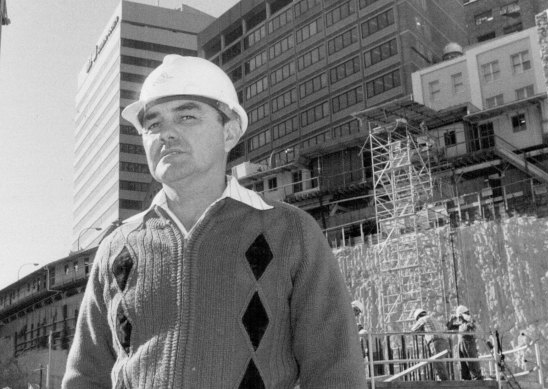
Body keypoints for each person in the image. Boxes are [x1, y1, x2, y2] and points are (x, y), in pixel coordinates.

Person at [62, 55, 365, 388]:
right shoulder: (116, 249)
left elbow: (335, 370)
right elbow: (86, 376)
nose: (167, 134)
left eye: (187, 116)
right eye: (153, 124)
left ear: (230, 131)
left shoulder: (291, 232)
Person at [446, 305, 484, 380]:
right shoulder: (460, 324)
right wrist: (452, 319)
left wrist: (465, 317)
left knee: (472, 361)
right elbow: (449, 327)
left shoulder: (469, 322)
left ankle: (477, 377)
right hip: (461, 344)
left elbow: (475, 326)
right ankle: (466, 378)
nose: (459, 318)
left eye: (460, 316)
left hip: (468, 343)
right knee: (463, 363)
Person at [411, 308, 450, 380]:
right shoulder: (433, 318)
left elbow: (413, 330)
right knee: (440, 361)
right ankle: (442, 378)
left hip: (435, 341)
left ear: (418, 317)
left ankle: (444, 382)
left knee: (438, 362)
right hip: (444, 341)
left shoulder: (422, 319)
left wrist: (422, 332)